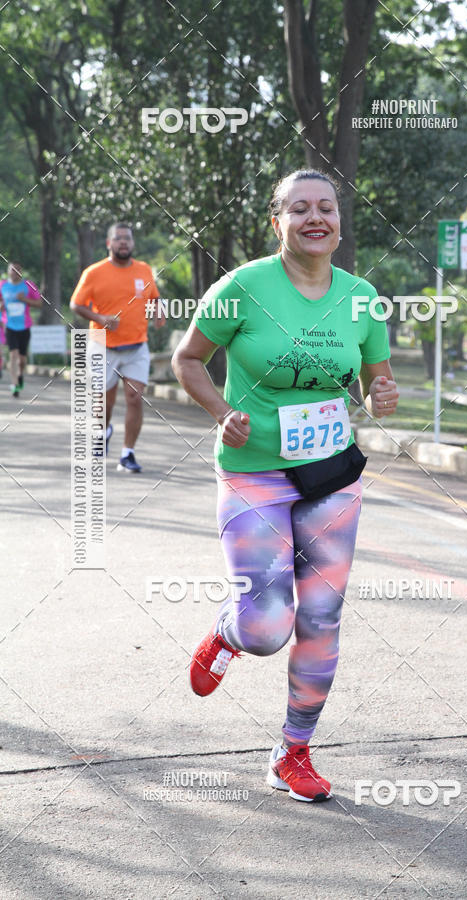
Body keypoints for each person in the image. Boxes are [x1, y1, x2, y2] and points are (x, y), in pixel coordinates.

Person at [172, 169, 399, 803]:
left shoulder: (362, 298)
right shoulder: (243, 287)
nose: (315, 218)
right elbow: (186, 360)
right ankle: (230, 630)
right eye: (299, 209)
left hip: (330, 473)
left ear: (340, 221)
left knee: (322, 617)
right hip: (255, 471)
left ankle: (292, 752)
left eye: (326, 207)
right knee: (268, 625)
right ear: (278, 222)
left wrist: (382, 395)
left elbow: (376, 388)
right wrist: (224, 413)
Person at [70, 223, 164, 472]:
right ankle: (104, 430)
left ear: (133, 244)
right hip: (103, 345)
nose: (124, 242)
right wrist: (100, 319)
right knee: (104, 403)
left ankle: (127, 454)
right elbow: (76, 305)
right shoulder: (94, 273)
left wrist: (158, 312)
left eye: (128, 239)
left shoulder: (144, 270)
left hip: (136, 346)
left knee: (134, 397)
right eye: (118, 238)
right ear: (109, 243)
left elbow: (154, 297)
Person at [0, 262, 42, 397]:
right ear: (8, 271)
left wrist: (24, 299)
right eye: (12, 270)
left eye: (17, 270)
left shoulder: (28, 285)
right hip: (9, 325)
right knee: (13, 355)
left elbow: (39, 303)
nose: (14, 272)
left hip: (25, 326)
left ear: (21, 272)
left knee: (22, 359)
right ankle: (14, 384)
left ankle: (20, 375)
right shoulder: (2, 285)